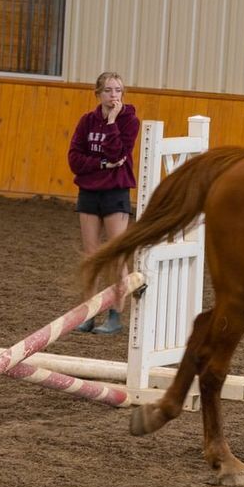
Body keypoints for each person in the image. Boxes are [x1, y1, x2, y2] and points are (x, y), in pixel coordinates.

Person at [68, 71, 139, 335]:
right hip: (88, 192)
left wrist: (111, 123)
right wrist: (100, 165)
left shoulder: (129, 121)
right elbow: (74, 158)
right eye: (108, 90)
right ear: (98, 93)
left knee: (116, 256)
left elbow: (118, 153)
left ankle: (115, 315)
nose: (113, 96)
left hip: (115, 192)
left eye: (118, 90)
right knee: (91, 255)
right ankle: (88, 313)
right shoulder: (86, 121)